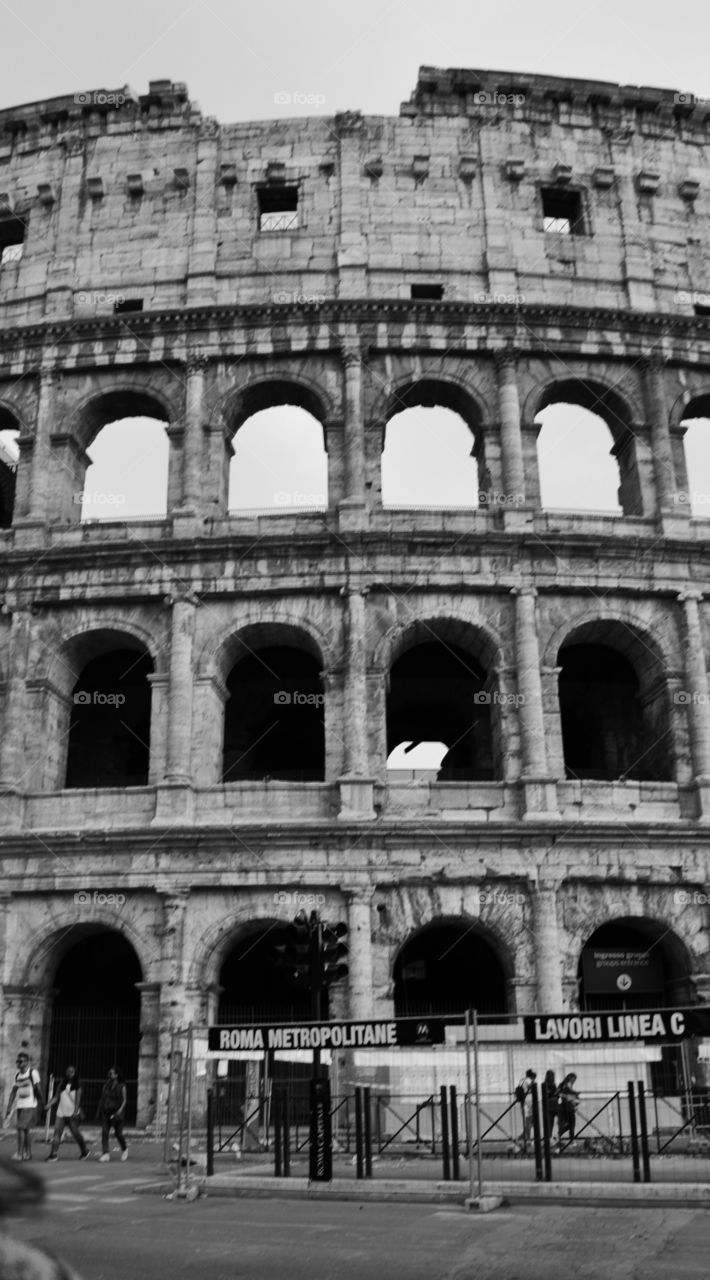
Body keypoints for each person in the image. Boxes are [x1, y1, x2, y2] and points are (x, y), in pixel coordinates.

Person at [45, 1067, 90, 1162]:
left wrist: (75, 1112)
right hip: (61, 1113)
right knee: (56, 1134)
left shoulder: (78, 1085)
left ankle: (84, 1150)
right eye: (68, 1071)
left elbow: (78, 1101)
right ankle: (53, 1154)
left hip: (72, 1114)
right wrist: (49, 1104)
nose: (69, 1073)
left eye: (72, 1072)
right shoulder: (61, 1084)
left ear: (75, 1073)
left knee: (76, 1134)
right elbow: (56, 1097)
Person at [4, 1051, 43, 1161]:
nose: (18, 1063)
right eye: (17, 1061)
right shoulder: (17, 1075)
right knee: (25, 1130)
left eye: (20, 1061)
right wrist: (9, 1106)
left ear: (26, 1062)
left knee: (20, 1128)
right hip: (20, 1105)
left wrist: (41, 1103)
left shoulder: (32, 1073)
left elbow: (38, 1089)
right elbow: (13, 1091)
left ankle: (20, 1153)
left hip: (29, 1105)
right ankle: (28, 1153)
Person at [96, 1066, 128, 1162]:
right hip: (106, 1111)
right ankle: (106, 1153)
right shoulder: (105, 1086)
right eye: (109, 1073)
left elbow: (124, 1100)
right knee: (105, 1132)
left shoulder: (122, 1086)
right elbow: (102, 1099)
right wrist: (98, 1112)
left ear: (116, 1075)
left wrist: (120, 1110)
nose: (110, 1074)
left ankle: (124, 1148)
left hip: (117, 1112)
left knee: (118, 1134)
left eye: (112, 1073)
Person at [556, 1072, 581, 1147]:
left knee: (567, 1124)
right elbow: (569, 1091)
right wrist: (576, 1094)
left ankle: (558, 1136)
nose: (574, 1081)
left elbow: (560, 1093)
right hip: (568, 1108)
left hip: (563, 1107)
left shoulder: (561, 1085)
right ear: (571, 1078)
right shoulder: (567, 1085)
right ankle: (571, 1140)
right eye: (574, 1079)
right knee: (571, 1124)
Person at [516, 1069, 536, 1152]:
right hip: (529, 1103)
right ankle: (528, 1140)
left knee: (530, 1122)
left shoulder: (522, 1080)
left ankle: (522, 1137)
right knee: (529, 1122)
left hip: (523, 1103)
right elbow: (533, 1088)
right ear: (532, 1076)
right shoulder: (529, 1081)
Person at [543, 1069, 558, 1147]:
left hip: (550, 1106)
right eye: (553, 1076)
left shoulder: (549, 1084)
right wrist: (555, 1094)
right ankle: (550, 1139)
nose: (553, 1077)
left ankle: (550, 1138)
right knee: (550, 1124)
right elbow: (550, 1094)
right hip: (551, 1105)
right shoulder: (548, 1084)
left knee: (550, 1124)